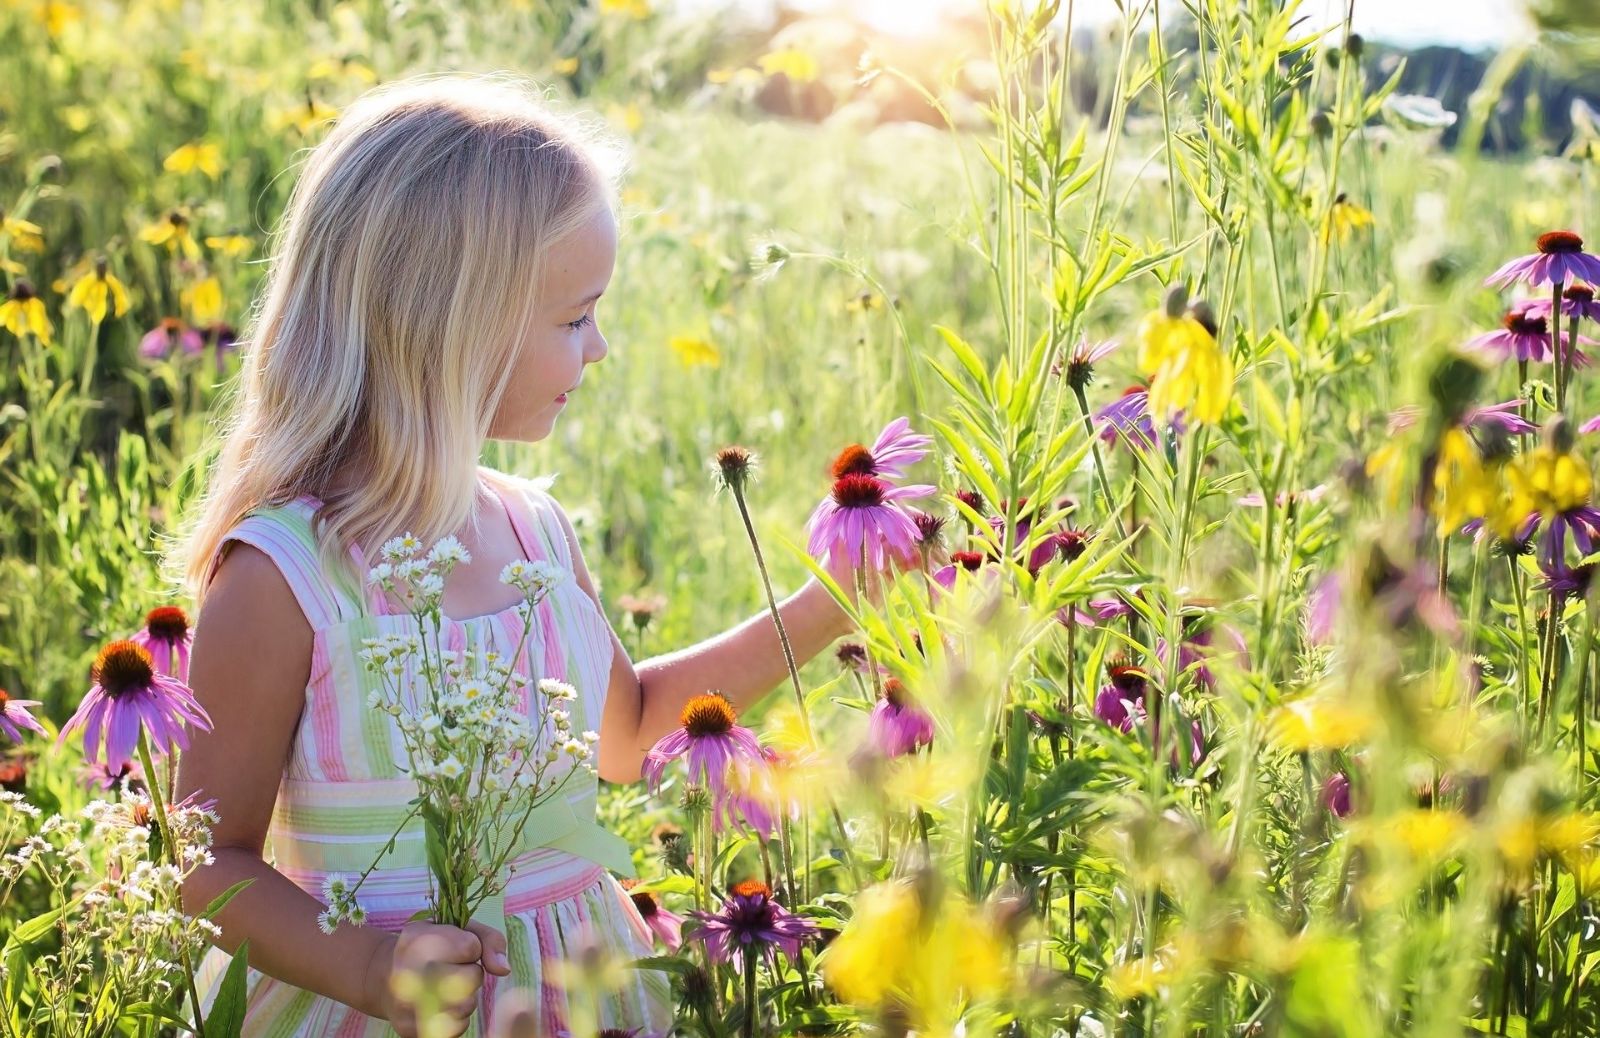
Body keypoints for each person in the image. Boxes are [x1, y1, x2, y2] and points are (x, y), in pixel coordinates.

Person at [169, 73, 870, 1038]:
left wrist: (830, 600)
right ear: (451, 328)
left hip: (588, 996)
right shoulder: (285, 577)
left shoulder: (535, 529)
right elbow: (206, 860)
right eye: (576, 317)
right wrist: (371, 964)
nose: (603, 347)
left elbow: (624, 734)